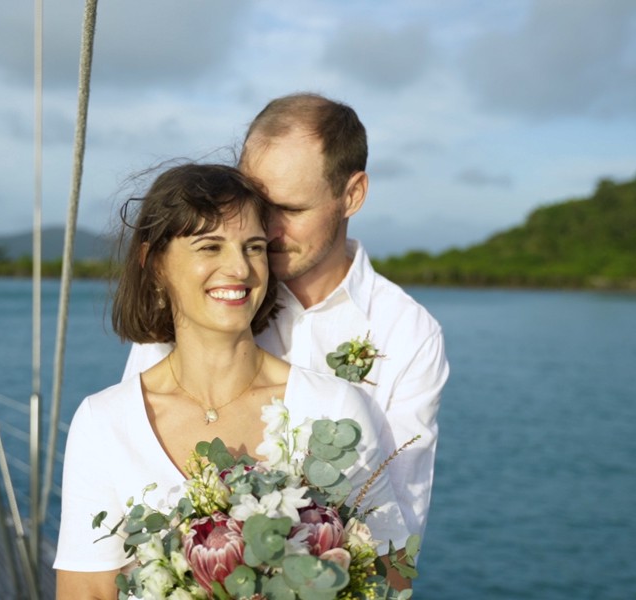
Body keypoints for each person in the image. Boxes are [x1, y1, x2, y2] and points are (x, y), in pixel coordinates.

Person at [54, 163, 409, 599]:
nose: (239, 268)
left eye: (254, 247)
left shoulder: (333, 408)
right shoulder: (103, 422)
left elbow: (390, 575)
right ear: (154, 264)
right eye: (210, 246)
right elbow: (86, 590)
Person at [122, 93, 450, 551]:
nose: (267, 230)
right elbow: (134, 464)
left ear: (352, 194)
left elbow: (397, 529)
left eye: (292, 210)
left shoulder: (408, 333)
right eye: (259, 202)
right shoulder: (203, 298)